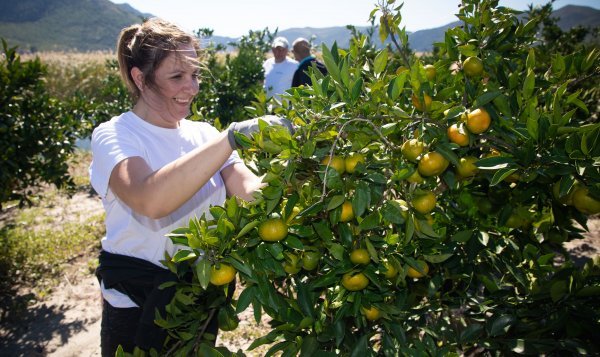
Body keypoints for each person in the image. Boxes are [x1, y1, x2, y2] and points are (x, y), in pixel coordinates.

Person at [89, 18, 292, 356]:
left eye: (195, 75)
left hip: (197, 293)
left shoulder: (203, 135)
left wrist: (298, 161)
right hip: (135, 303)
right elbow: (149, 199)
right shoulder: (116, 135)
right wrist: (231, 137)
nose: (193, 88)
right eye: (177, 77)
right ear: (140, 79)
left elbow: (252, 193)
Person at [262, 36, 297, 103]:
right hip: (267, 107)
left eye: (282, 49)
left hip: (285, 109)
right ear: (273, 49)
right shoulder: (267, 63)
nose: (280, 52)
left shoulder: (294, 65)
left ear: (287, 50)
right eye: (277, 49)